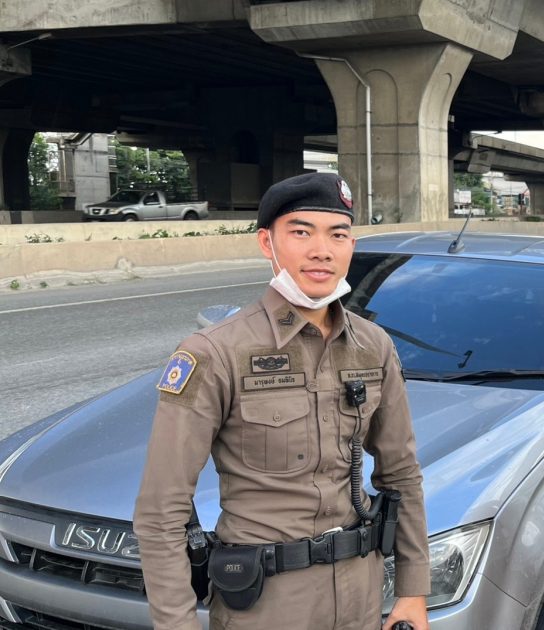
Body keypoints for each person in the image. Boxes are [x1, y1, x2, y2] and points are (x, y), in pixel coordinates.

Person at [133, 172, 430, 630]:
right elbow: (161, 512)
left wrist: (412, 592)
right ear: (266, 243)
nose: (322, 250)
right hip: (266, 605)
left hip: (360, 597)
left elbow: (401, 474)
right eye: (301, 232)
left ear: (351, 246)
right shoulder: (215, 352)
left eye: (338, 235)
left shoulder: (373, 346)